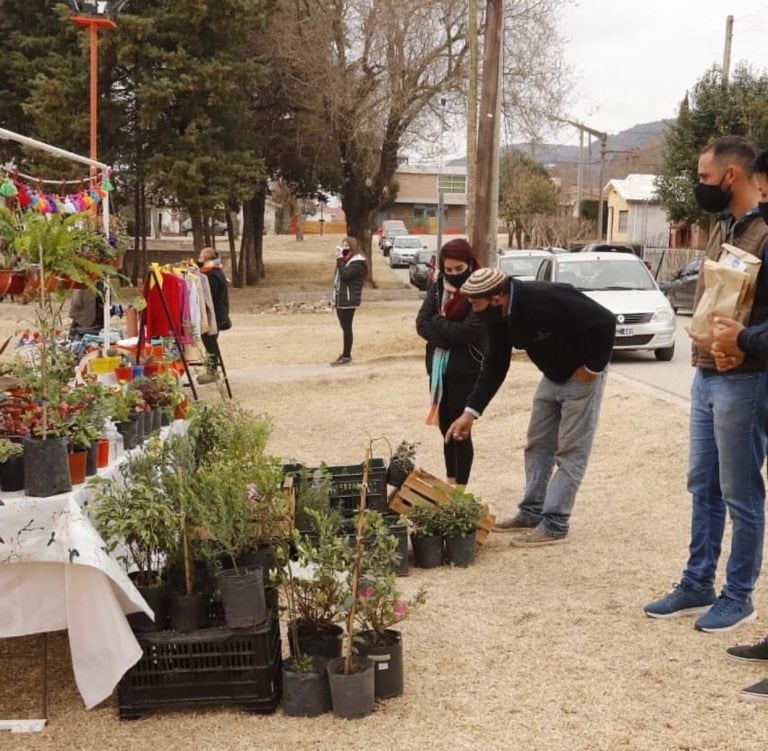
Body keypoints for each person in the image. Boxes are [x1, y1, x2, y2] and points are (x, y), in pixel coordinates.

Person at [644, 136, 768, 633]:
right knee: (704, 485)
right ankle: (698, 583)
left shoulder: (764, 233)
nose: (701, 186)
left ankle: (739, 595)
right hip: (706, 376)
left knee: (742, 494)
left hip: (746, 382)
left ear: (732, 176)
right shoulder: (724, 228)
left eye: (704, 178)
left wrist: (744, 340)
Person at [445, 266, 615, 546]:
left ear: (498, 296)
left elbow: (605, 323)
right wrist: (470, 413)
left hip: (582, 375)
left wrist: (592, 369)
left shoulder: (545, 297)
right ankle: (531, 511)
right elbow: (495, 364)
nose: (473, 311)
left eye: (476, 304)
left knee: (571, 450)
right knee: (537, 443)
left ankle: (555, 524)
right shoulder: (498, 315)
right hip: (553, 375)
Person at [415, 238, 485, 485]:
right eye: (449, 270)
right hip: (438, 370)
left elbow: (470, 330)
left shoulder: (479, 289)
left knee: (459, 432)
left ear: (470, 264)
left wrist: (439, 326)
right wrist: (446, 333)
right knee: (445, 428)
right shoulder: (437, 289)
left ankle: (460, 489)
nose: (454, 275)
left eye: (459, 269)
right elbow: (421, 323)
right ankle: (450, 480)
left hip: (466, 371)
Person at [331, 236, 366, 366]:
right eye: (342, 245)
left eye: (347, 245)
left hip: (349, 300)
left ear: (352, 247)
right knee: (345, 327)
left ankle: (347, 355)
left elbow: (346, 275)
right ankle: (345, 353)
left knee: (347, 328)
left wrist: (340, 259)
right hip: (342, 299)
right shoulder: (347, 261)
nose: (344, 248)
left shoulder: (357, 262)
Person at [197, 247, 230, 384]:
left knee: (209, 341)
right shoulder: (215, 272)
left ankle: (212, 371)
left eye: (201, 259)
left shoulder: (212, 275)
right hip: (218, 313)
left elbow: (210, 295)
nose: (199, 261)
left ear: (207, 260)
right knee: (210, 341)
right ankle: (212, 369)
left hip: (215, 315)